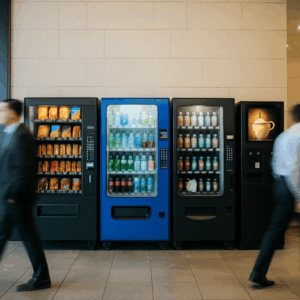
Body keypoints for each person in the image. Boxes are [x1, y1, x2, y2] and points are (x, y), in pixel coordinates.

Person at [0, 99, 51, 291]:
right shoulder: (10, 134)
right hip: (10, 197)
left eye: (2, 110)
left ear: (13, 113)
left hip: (16, 198)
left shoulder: (22, 136)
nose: (0, 113)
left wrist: (12, 194)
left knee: (28, 237)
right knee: (9, 235)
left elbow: (23, 170)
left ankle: (42, 277)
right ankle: (42, 277)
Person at [249, 104, 300, 288]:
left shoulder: (282, 136)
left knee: (273, 232)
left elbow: (275, 163)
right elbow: (296, 169)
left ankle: (258, 272)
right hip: (292, 186)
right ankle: (258, 273)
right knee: (274, 231)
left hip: (280, 185)